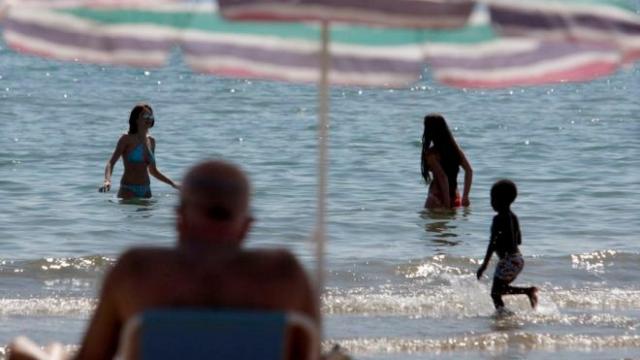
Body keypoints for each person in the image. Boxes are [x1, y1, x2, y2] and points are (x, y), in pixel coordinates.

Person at [10, 160, 320, 360]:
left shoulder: (138, 270)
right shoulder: (285, 274)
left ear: (179, 218)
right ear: (246, 225)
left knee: (24, 349)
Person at [476, 179, 538, 313]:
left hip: (508, 260)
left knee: (495, 293)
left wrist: (484, 265)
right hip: (518, 259)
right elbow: (519, 240)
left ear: (502, 200)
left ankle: (504, 314)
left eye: (493, 199)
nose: (491, 202)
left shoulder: (498, 219)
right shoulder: (514, 217)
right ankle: (527, 292)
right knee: (500, 290)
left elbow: (492, 243)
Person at [99, 103, 178, 198]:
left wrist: (173, 184)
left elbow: (153, 171)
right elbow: (111, 163)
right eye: (145, 115)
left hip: (146, 190)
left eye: (150, 116)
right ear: (136, 119)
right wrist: (107, 180)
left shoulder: (151, 141)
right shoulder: (126, 139)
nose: (149, 118)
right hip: (128, 189)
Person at [421, 114, 473, 209]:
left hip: (437, 197)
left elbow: (442, 177)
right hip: (455, 197)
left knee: (429, 222)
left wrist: (446, 203)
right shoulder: (455, 150)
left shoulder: (432, 154)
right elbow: (469, 170)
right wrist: (465, 196)